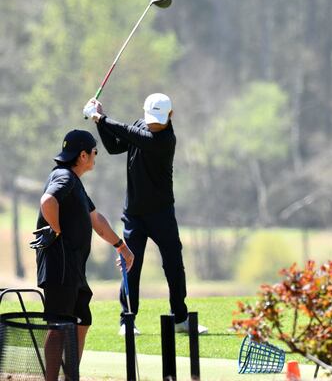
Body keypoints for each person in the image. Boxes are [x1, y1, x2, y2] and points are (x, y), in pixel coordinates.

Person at [83, 94, 206, 335]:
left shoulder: (166, 140)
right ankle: (127, 321)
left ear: (170, 116)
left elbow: (133, 134)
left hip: (162, 214)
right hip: (135, 216)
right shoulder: (139, 128)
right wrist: (99, 121)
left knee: (173, 265)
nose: (153, 124)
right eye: (151, 119)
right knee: (131, 266)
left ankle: (180, 319)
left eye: (159, 120)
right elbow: (114, 146)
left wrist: (99, 116)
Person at [34, 129, 134, 381]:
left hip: (73, 267)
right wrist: (56, 230)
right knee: (59, 326)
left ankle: (71, 377)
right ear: (82, 155)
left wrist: (120, 245)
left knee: (81, 321)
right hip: (61, 265)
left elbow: (95, 219)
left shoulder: (73, 182)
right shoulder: (64, 178)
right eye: (94, 152)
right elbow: (47, 201)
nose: (95, 156)